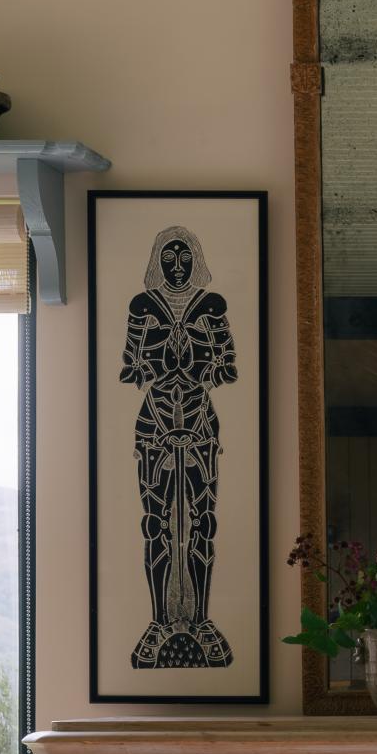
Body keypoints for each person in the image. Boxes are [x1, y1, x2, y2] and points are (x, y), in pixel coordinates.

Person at [121, 226, 236, 667]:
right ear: (157, 261)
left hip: (200, 420)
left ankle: (202, 619)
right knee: (156, 523)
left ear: (195, 260)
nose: (176, 266)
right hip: (154, 423)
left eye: (184, 257)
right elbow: (131, 369)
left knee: (203, 520)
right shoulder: (141, 308)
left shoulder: (213, 307)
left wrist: (203, 355)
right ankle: (158, 621)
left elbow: (225, 366)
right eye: (168, 258)